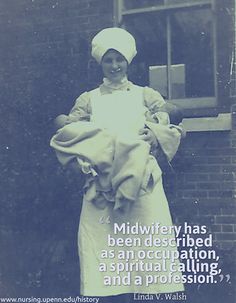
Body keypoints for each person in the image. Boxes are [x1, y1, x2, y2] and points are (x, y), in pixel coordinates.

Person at [50, 28, 185, 299]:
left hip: (142, 181)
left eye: (119, 59)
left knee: (148, 248)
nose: (114, 66)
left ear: (128, 61)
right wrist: (83, 160)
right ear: (100, 62)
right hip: (101, 184)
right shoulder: (88, 99)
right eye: (108, 60)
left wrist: (155, 134)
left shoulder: (146, 95)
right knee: (103, 248)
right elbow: (70, 133)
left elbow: (173, 120)